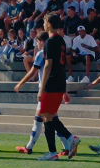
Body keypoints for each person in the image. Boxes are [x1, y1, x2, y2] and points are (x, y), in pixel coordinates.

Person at [16, 17, 80, 160]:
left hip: (51, 84)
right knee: (49, 116)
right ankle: (65, 143)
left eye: (44, 23)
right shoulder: (61, 41)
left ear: (49, 24)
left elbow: (48, 65)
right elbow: (61, 66)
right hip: (59, 84)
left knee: (46, 116)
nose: (43, 25)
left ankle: (58, 148)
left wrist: (41, 88)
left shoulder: (50, 42)